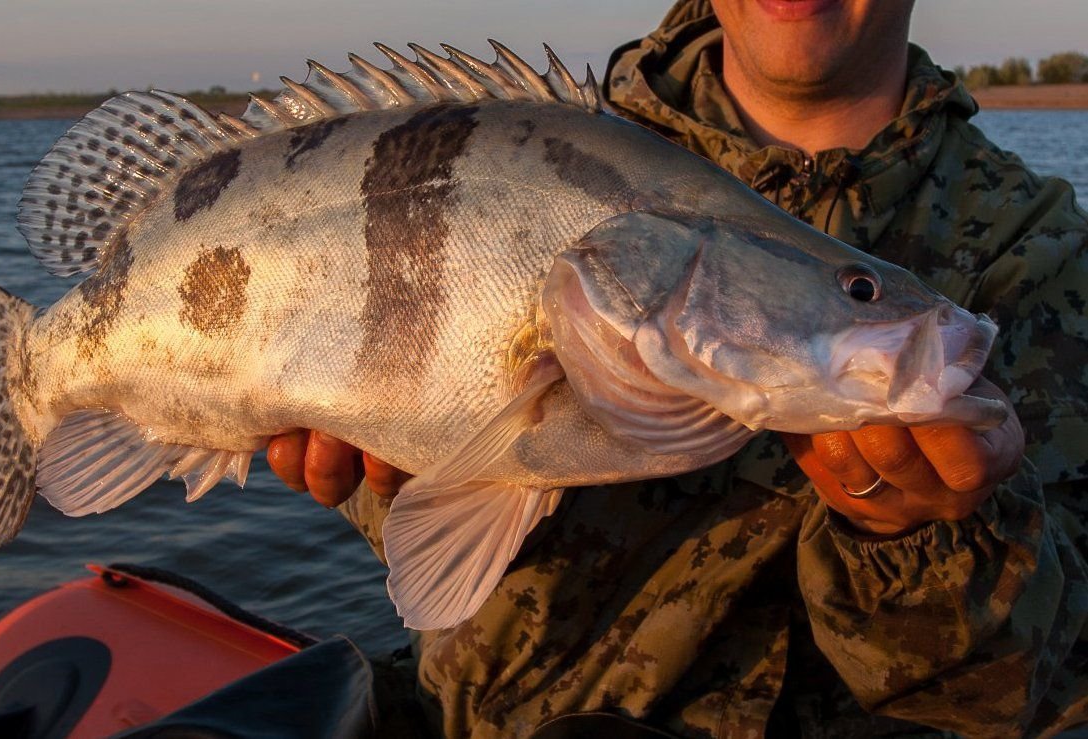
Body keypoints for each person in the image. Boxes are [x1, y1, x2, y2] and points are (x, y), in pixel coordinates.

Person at [268, 0, 1088, 735]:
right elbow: (427, 541)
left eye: (858, 287)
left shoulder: (1042, 247)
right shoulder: (554, 145)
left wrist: (920, 536)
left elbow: (1021, 693)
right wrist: (389, 476)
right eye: (859, 291)